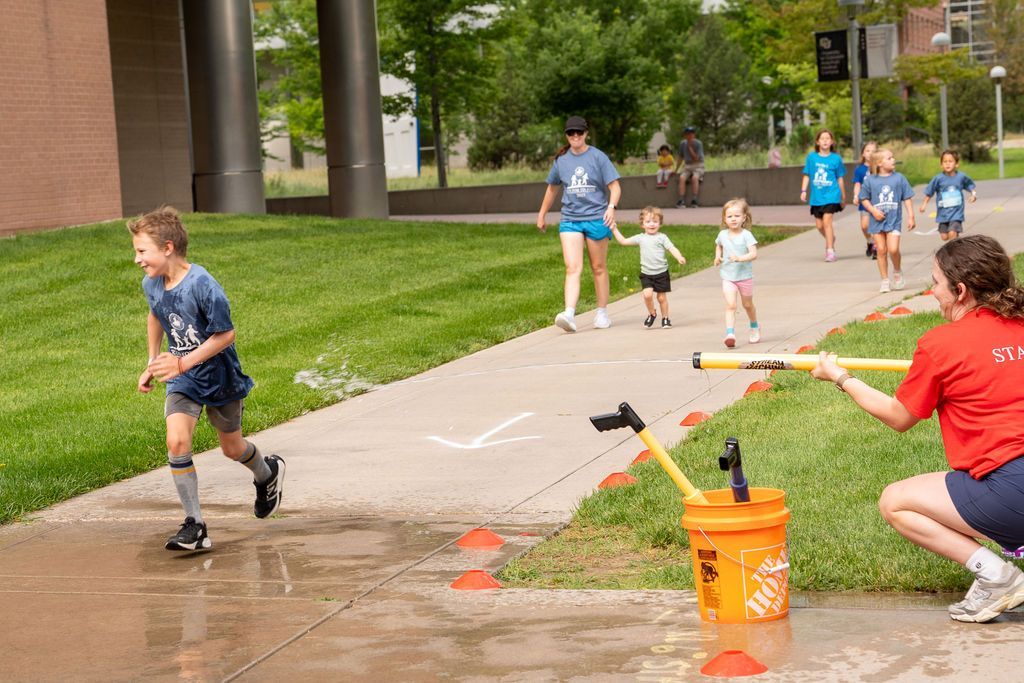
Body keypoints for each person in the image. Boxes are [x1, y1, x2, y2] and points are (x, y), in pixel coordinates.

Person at [810, 234, 1024, 623]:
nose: (932, 291)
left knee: (896, 501)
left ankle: (998, 576)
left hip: (1012, 488)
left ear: (960, 291)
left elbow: (899, 416)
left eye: (935, 283)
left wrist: (839, 377)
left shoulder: (941, 343)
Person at [131, 206, 285, 552]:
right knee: (177, 442)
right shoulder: (151, 283)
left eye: (142, 251)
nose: (138, 259)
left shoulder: (203, 285)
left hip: (219, 376)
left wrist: (182, 363)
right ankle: (195, 525)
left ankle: (267, 473)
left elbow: (225, 335)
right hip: (182, 379)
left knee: (232, 448)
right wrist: (154, 362)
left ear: (167, 247)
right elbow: (156, 314)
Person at [537, 116, 621, 332]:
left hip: (596, 217)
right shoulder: (561, 160)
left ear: (586, 133)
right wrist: (542, 214)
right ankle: (569, 313)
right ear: (566, 135)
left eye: (579, 132)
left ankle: (602, 312)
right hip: (570, 219)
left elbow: (615, 186)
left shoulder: (598, 157)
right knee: (572, 267)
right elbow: (552, 189)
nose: (575, 136)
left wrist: (611, 207)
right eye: (571, 133)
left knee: (598, 267)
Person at [611, 206, 686, 328]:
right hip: (647, 273)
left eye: (655, 221)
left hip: (661, 272)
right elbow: (623, 241)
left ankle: (665, 318)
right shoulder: (641, 238)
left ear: (660, 223)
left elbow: (671, 248)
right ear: (642, 224)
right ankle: (652, 313)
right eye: (648, 222)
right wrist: (614, 229)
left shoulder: (662, 237)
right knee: (647, 295)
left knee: (661, 298)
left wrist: (679, 257)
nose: (652, 224)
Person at [859, 148, 915, 293]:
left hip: (894, 220)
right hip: (876, 222)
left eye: (893, 157)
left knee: (893, 249)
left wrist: (911, 216)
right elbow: (863, 198)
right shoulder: (870, 180)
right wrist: (873, 211)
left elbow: (907, 197)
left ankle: (897, 270)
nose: (893, 160)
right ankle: (884, 280)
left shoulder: (899, 178)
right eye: (889, 158)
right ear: (879, 163)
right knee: (881, 250)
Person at [714, 198, 760, 348]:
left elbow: (754, 254)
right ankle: (730, 334)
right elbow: (719, 246)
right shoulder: (722, 234)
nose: (733, 219)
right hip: (728, 277)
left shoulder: (746, 235)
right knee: (730, 305)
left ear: (744, 218)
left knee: (747, 305)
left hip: (744, 277)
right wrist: (717, 257)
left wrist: (740, 258)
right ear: (724, 219)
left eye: (737, 216)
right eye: (729, 216)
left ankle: (754, 326)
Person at [800, 129, 846, 262]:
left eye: (828, 138)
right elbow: (807, 175)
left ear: (832, 142)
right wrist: (803, 191)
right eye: (822, 138)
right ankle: (831, 238)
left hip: (832, 195)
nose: (825, 141)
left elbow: (840, 179)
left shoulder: (836, 158)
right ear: (817, 142)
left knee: (827, 222)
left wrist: (843, 197)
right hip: (817, 197)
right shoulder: (812, 157)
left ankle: (830, 251)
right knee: (819, 226)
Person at [919, 149, 978, 242]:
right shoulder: (938, 179)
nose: (947, 164)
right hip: (943, 214)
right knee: (944, 237)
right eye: (945, 162)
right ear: (941, 165)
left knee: (952, 233)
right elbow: (929, 192)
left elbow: (970, 186)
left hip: (956, 213)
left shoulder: (961, 177)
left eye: (950, 161)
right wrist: (924, 204)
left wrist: (973, 195)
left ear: (956, 164)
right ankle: (957, 242)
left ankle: (954, 252)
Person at [852, 140, 879, 259]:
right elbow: (857, 184)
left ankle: (877, 248)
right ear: (863, 154)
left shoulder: (880, 167)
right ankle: (870, 241)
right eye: (867, 151)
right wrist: (856, 196)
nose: (870, 153)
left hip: (878, 201)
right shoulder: (860, 170)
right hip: (865, 201)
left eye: (873, 151)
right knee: (864, 226)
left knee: (877, 226)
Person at [673, 126, 705, 208]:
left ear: (694, 135)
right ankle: (681, 200)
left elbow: (696, 158)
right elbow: (680, 157)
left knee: (694, 178)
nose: (689, 136)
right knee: (682, 178)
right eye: (687, 134)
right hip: (687, 165)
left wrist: (690, 148)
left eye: (691, 134)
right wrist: (676, 169)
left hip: (698, 164)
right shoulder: (682, 144)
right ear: (685, 135)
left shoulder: (698, 143)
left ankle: (695, 200)